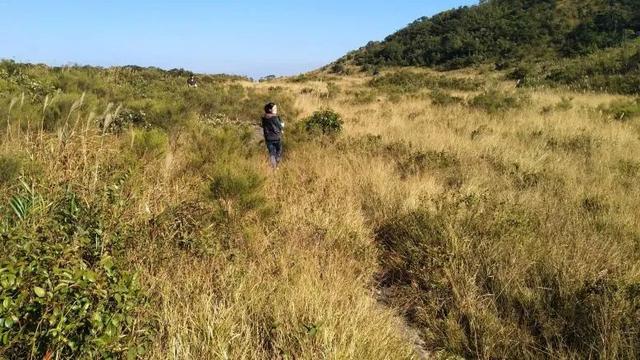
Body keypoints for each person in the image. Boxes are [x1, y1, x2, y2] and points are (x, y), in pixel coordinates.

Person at [261, 102, 284, 169]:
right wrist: (282, 125)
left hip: (268, 138)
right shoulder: (275, 118)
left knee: (272, 153)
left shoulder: (264, 118)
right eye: (275, 108)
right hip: (276, 137)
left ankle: (274, 167)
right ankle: (277, 164)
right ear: (270, 110)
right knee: (279, 151)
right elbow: (280, 126)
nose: (276, 109)